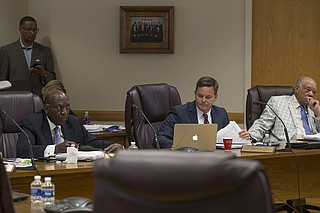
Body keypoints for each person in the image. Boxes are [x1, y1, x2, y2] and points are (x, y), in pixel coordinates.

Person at [16, 90, 122, 158]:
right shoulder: (32, 123)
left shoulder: (74, 122)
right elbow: (23, 150)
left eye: (67, 107)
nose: (64, 112)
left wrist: (112, 146)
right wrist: (56, 148)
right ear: (47, 109)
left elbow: (92, 141)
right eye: (59, 108)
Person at [239, 76, 320, 142]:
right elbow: (262, 124)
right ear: (297, 89)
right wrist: (250, 135)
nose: (311, 94)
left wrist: (318, 113)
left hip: (310, 149)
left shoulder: (312, 108)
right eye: (308, 90)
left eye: (314, 92)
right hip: (285, 149)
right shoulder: (277, 102)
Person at [158, 76, 230, 148]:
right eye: (200, 96)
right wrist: (179, 146)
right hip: (190, 157)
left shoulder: (221, 114)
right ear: (195, 93)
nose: (203, 100)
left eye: (208, 97)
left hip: (215, 157)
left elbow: (229, 139)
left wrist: (240, 137)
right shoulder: (179, 113)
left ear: (215, 97)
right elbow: (160, 138)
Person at [0, 16, 56, 97]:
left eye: (34, 30)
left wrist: (44, 74)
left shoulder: (45, 51)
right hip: (15, 97)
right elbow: (2, 80)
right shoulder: (7, 51)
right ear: (20, 29)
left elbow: (53, 79)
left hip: (37, 98)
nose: (32, 32)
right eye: (28, 29)